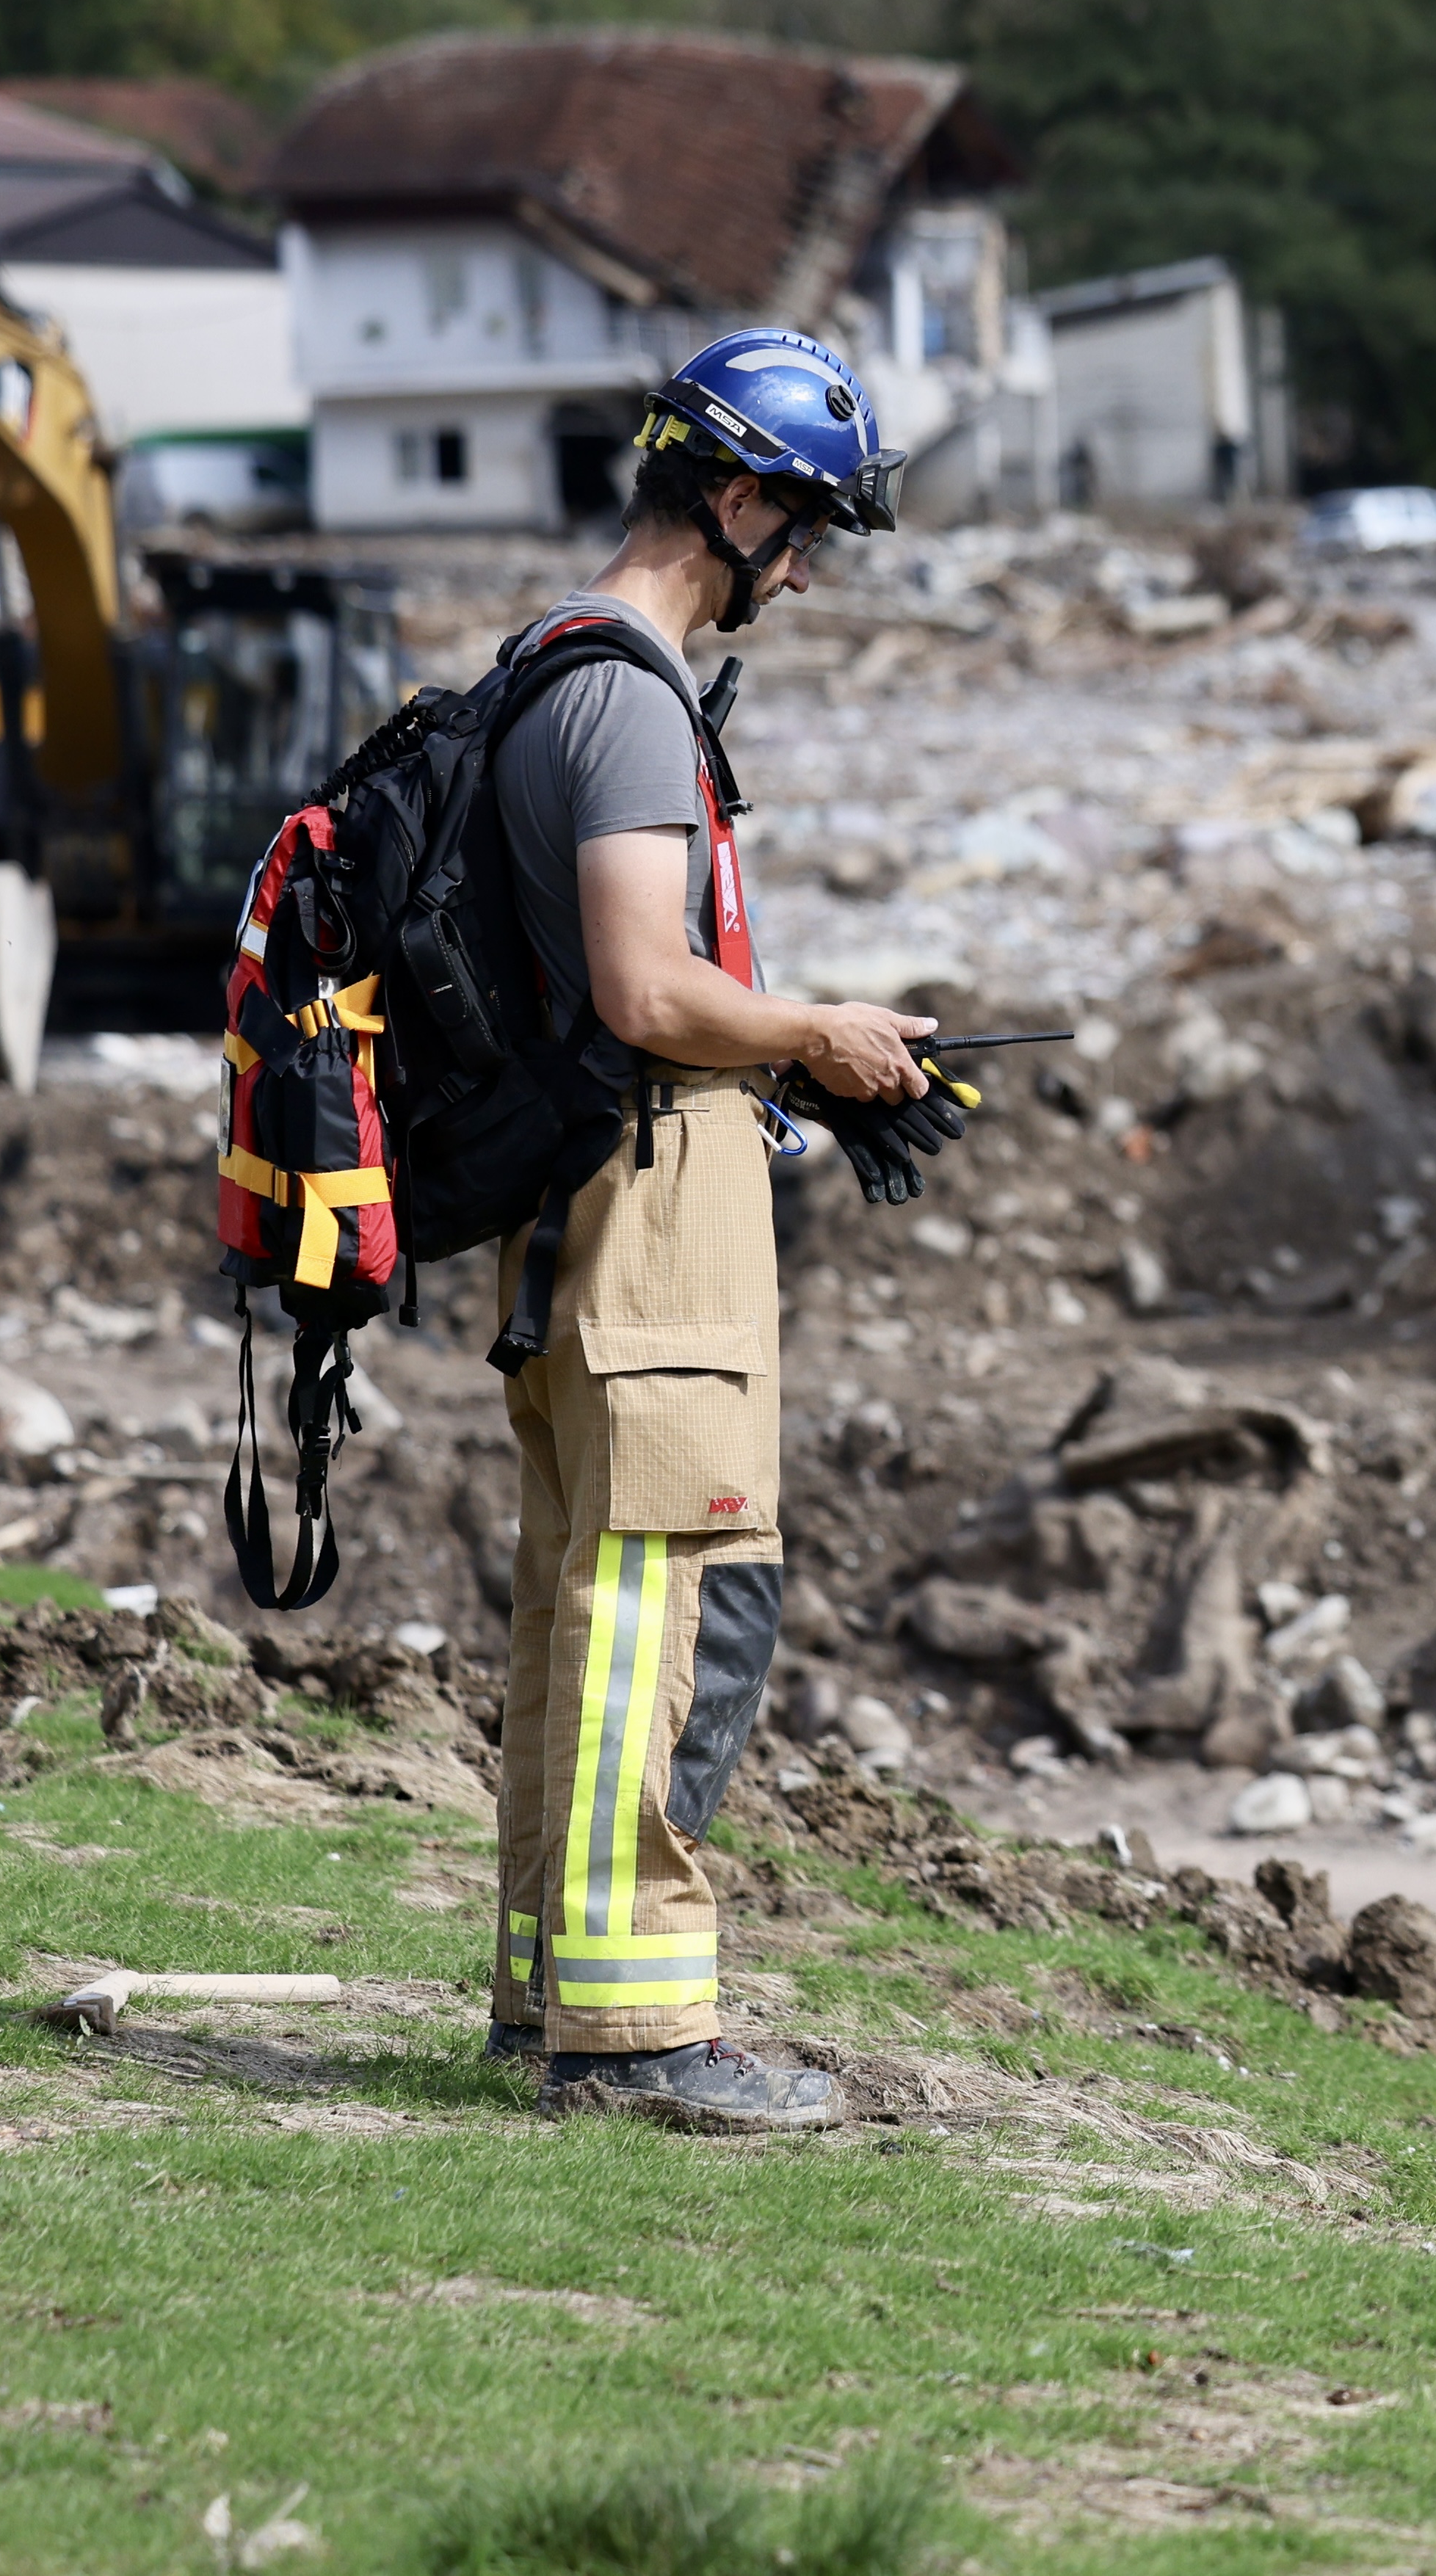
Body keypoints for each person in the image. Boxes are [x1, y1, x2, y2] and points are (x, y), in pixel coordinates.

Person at [478, 329, 933, 2128]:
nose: (807, 569)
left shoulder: (547, 667)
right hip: (650, 1202)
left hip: (604, 1183)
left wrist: (799, 1064)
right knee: (656, 1609)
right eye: (804, 529)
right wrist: (813, 1031)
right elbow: (646, 984)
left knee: (589, 1601)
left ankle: (553, 2007)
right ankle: (639, 2041)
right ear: (732, 503)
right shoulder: (626, 695)